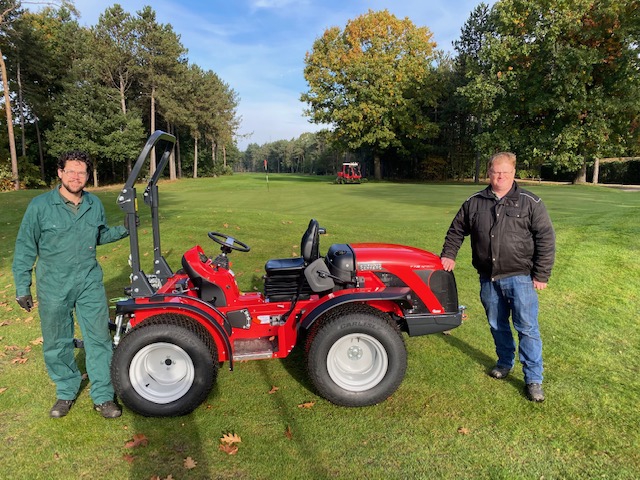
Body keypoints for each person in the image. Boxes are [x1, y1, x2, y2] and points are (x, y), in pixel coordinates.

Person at [12, 151, 131, 418]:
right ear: (60, 173)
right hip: (53, 284)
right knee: (57, 340)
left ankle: (102, 396)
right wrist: (22, 286)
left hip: (88, 281)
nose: (76, 177)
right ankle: (66, 391)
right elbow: (24, 247)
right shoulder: (40, 206)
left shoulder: (93, 204)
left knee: (99, 338)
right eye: (71, 171)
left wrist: (124, 229)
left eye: (82, 172)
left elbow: (98, 235)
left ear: (88, 176)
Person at [440, 152, 555, 402]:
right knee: (497, 325)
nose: (500, 176)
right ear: (489, 173)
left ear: (514, 174)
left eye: (505, 172)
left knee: (527, 328)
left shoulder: (530, 202)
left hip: (521, 277)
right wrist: (449, 254)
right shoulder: (474, 202)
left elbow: (546, 238)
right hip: (488, 278)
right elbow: (456, 230)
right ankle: (504, 362)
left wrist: (542, 274)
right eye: (495, 172)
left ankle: (534, 379)